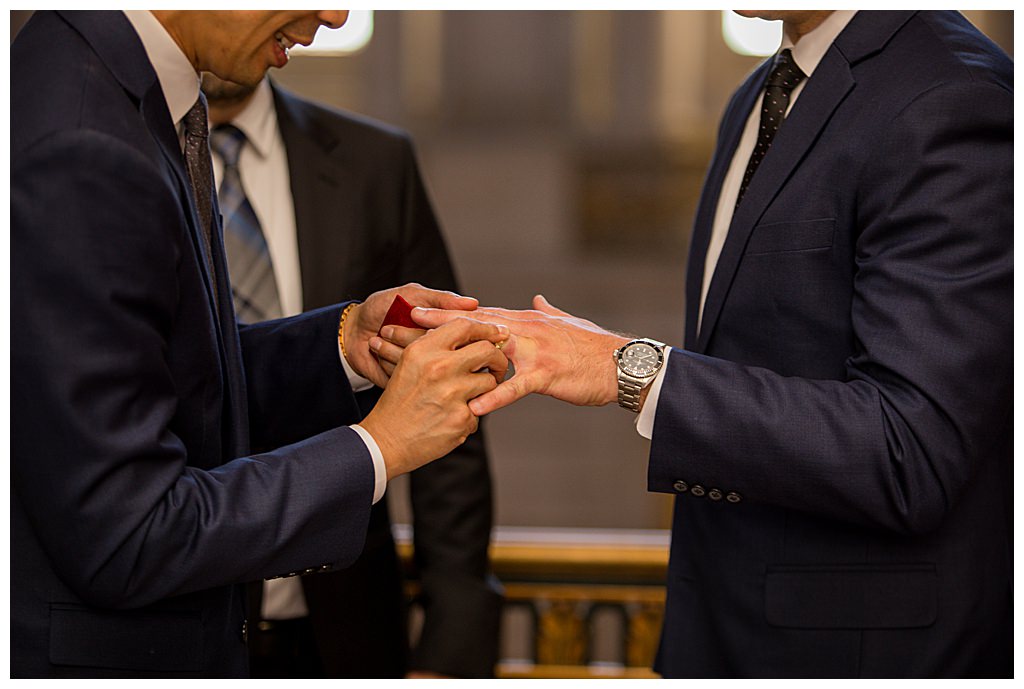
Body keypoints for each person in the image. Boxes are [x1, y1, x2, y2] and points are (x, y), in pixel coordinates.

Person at [401, 10, 1012, 677]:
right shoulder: (760, 93)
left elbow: (910, 451)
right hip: (719, 631)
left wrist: (626, 368)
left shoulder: (951, 95)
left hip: (858, 651)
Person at [11, 10, 508, 678]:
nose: (336, 15)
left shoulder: (114, 83)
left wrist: (338, 343)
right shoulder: (81, 134)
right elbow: (129, 535)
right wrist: (380, 445)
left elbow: (163, 378)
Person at [201, 74, 502, 678]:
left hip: (345, 622)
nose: (329, 18)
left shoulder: (374, 161)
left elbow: (447, 393)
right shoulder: (122, 157)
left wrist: (452, 643)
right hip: (178, 616)